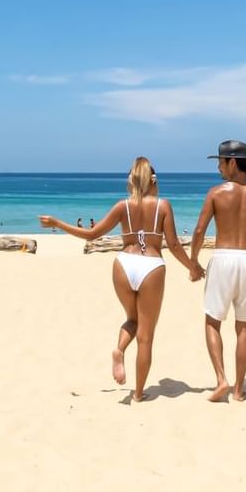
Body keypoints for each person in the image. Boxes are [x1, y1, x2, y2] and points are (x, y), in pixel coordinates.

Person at [39, 156, 203, 403]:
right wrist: (192, 267)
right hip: (151, 266)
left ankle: (120, 350)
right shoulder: (163, 206)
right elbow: (173, 244)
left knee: (132, 319)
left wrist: (57, 223)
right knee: (146, 336)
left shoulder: (122, 206)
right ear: (153, 180)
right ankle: (138, 394)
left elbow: (92, 235)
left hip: (124, 264)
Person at [190, 139, 246, 403]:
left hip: (223, 259)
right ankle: (239, 390)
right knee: (244, 328)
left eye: (220, 162)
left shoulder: (216, 193)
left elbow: (198, 231)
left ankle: (221, 380)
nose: (218, 167)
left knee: (212, 321)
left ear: (232, 162)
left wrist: (194, 261)